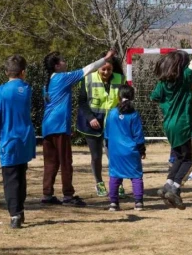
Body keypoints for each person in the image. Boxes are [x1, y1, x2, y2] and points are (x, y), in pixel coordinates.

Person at [41, 50, 115, 206]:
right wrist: (105, 59)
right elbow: (87, 69)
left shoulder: (47, 83)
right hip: (59, 126)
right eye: (62, 61)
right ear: (56, 66)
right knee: (65, 161)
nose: (65, 62)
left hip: (47, 127)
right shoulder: (63, 78)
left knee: (51, 162)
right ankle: (68, 195)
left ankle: (47, 194)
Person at [152, 20, 192, 210]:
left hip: (169, 124)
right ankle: (174, 188)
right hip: (183, 124)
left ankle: (167, 185)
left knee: (179, 157)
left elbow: (155, 97)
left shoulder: (163, 82)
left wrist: (167, 106)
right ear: (181, 66)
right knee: (189, 160)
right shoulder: (185, 78)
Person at [0, 55, 35, 229]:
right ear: (23, 73)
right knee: (21, 176)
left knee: (10, 179)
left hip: (9, 141)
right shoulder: (27, 88)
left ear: (6, 72)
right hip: (25, 140)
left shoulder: (1, 91)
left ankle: (14, 215)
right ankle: (20, 210)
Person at [76, 52, 126, 197]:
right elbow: (82, 102)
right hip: (92, 123)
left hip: (113, 124)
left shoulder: (120, 79)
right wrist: (90, 117)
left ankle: (118, 184)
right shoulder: (87, 79)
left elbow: (125, 102)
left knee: (115, 156)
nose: (106, 72)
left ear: (113, 69)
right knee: (96, 156)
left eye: (109, 70)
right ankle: (99, 182)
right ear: (98, 68)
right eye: (103, 69)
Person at [104, 85, 146, 212]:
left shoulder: (112, 113)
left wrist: (108, 146)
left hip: (115, 151)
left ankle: (113, 204)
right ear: (132, 97)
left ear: (118, 96)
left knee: (114, 176)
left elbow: (107, 133)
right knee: (136, 176)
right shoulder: (134, 114)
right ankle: (138, 203)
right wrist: (142, 149)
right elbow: (138, 134)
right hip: (131, 151)